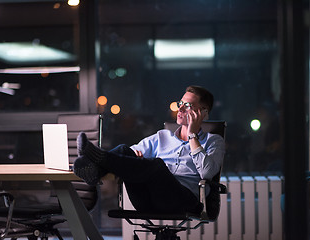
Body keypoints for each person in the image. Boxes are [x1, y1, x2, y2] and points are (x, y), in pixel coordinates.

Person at [74, 85, 225, 214]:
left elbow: (207, 173)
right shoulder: (161, 137)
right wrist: (135, 160)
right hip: (147, 200)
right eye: (180, 103)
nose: (180, 108)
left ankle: (95, 158)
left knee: (158, 165)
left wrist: (192, 135)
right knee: (125, 150)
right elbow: (127, 156)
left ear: (203, 113)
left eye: (187, 105)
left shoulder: (213, 141)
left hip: (183, 202)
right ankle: (94, 169)